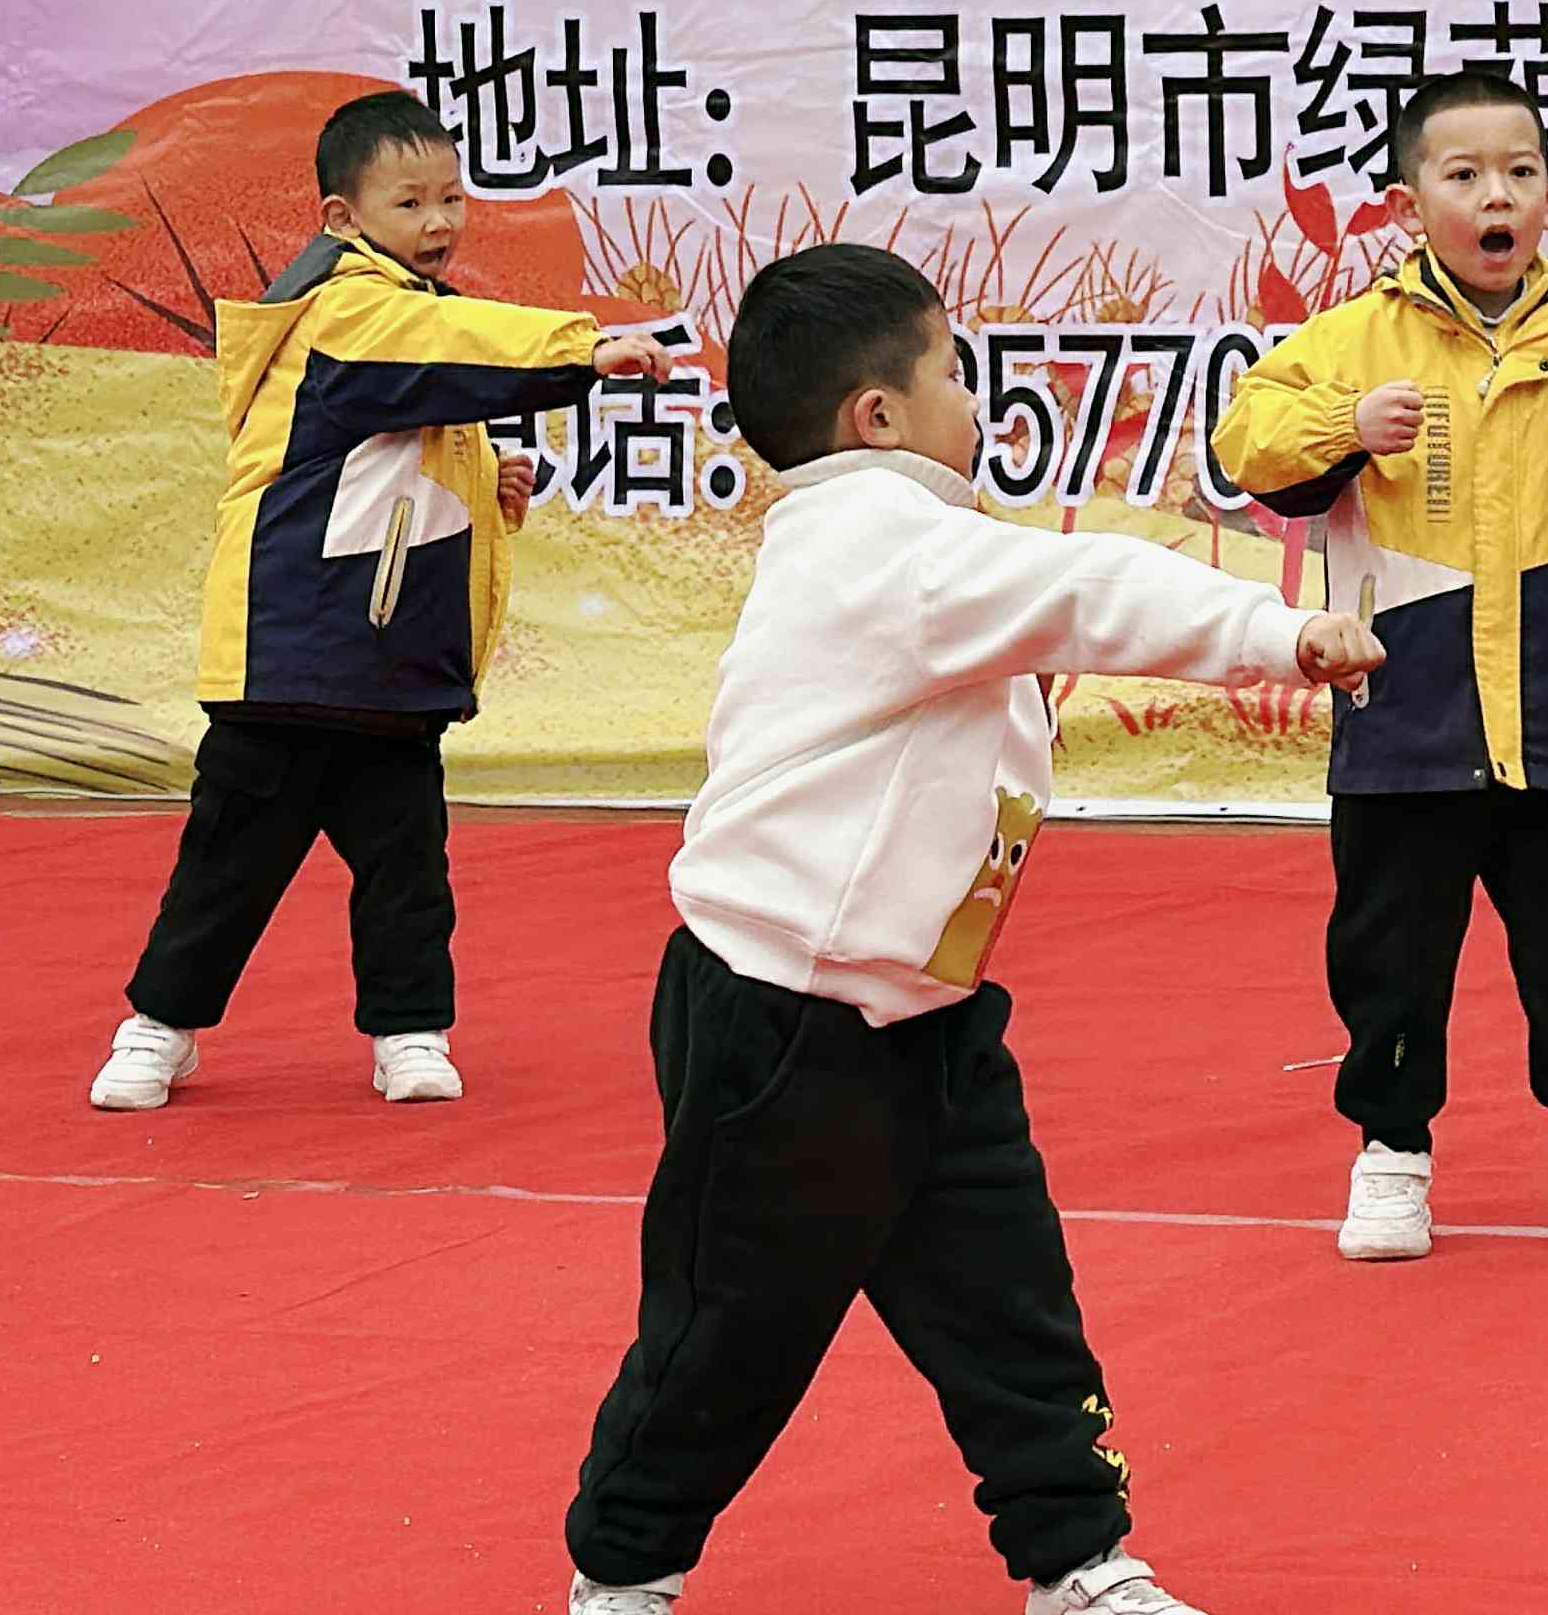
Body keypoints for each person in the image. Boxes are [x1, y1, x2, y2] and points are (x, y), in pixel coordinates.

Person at [561, 242, 1381, 1615]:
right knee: (731, 1326)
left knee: (1008, 1298)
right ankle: (623, 1572)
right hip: (785, 1019)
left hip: (926, 1016)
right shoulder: (886, 545)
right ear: (873, 418)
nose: (973, 400)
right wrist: (1278, 633)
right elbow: (1093, 592)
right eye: (951, 371)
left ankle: (1076, 1561)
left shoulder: (906, 543)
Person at [1212, 71, 1548, 1264]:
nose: (1497, 195)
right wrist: (1347, 427)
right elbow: (1249, 441)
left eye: (1521, 172)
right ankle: (1393, 1155)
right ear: (1406, 204)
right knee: (1390, 952)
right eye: (1465, 175)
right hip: (1404, 707)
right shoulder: (1354, 338)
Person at [88, 90, 663, 1112]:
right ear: (342, 219)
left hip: (390, 669)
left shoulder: (410, 326)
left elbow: (400, 457)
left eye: (452, 197)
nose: (440, 222)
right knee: (230, 865)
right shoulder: (348, 308)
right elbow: (442, 363)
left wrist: (491, 488)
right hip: (291, 657)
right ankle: (157, 1030)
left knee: (408, 872)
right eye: (410, 203)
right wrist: (583, 348)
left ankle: (409, 1032)